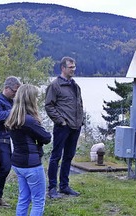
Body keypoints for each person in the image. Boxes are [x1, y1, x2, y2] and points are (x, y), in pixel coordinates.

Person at [5, 84, 51, 216]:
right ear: (31, 99)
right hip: (31, 165)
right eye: (35, 97)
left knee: (24, 198)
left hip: (18, 163)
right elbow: (46, 137)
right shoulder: (29, 121)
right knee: (38, 200)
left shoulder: (13, 117)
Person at [45, 56, 85, 198]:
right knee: (56, 157)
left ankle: (64, 186)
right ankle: (52, 188)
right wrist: (61, 121)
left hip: (75, 126)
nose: (73, 69)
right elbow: (49, 106)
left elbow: (79, 104)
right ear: (63, 68)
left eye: (74, 67)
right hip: (63, 127)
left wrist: (82, 120)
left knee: (68, 156)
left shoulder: (75, 86)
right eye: (70, 67)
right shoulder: (55, 85)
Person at [0, 76, 21, 209]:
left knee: (6, 167)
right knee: (5, 166)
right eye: (14, 91)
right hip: (0, 138)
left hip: (10, 139)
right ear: (6, 88)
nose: (15, 94)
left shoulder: (12, 101)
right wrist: (16, 111)